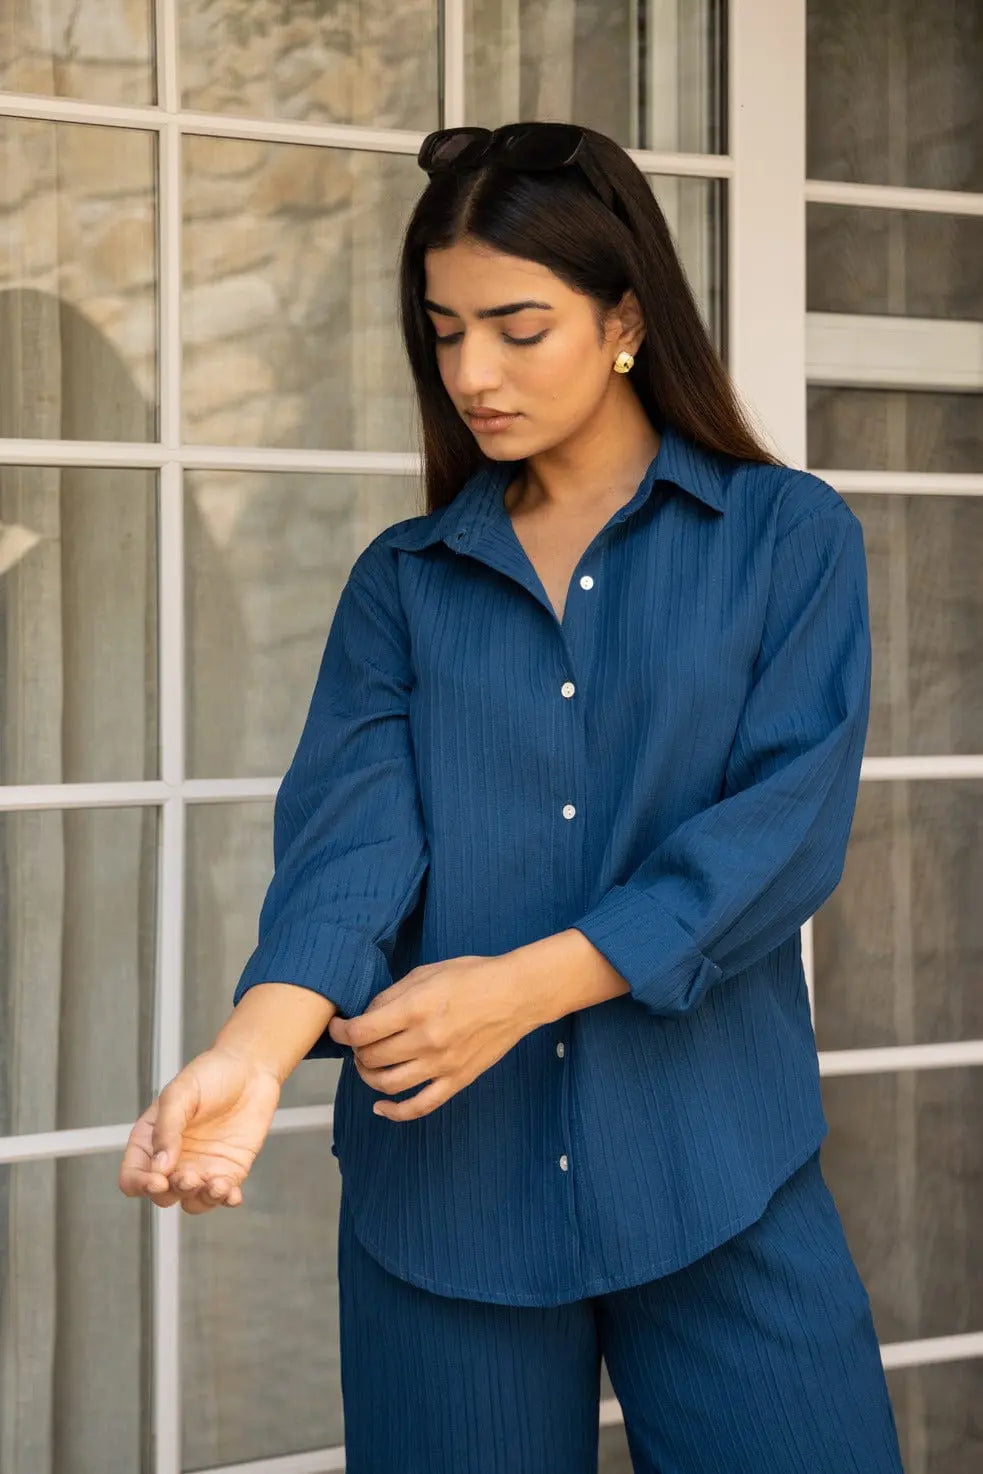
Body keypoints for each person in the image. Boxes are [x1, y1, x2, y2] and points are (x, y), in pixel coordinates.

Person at [119, 121, 906, 1473]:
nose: (471, 372)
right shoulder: (403, 582)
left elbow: (780, 834)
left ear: (625, 320)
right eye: (443, 332)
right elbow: (352, 848)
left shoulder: (788, 539)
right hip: (446, 1202)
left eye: (516, 326)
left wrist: (522, 984)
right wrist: (250, 1055)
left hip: (720, 1169)